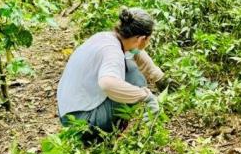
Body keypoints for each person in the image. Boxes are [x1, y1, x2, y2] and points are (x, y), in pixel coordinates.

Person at [57, 7, 166, 139]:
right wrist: (145, 96)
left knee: (130, 68)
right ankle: (106, 135)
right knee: (136, 79)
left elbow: (135, 52)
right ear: (141, 39)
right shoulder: (113, 52)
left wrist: (159, 77)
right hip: (81, 124)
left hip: (70, 114)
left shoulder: (106, 38)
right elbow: (107, 84)